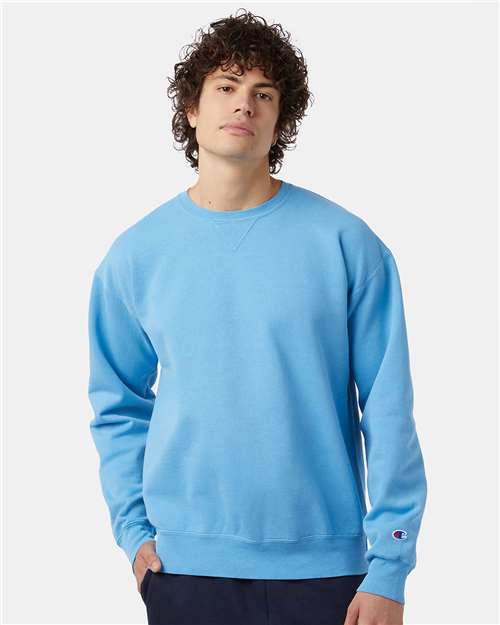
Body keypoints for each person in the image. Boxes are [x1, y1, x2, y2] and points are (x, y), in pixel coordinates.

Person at [87, 8, 427, 625]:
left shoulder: (347, 244)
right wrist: (134, 534)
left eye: (263, 93)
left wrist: (391, 566)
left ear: (279, 119)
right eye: (226, 86)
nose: (244, 103)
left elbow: (387, 410)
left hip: (330, 573)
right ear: (191, 109)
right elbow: (118, 404)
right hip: (184, 571)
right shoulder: (135, 255)